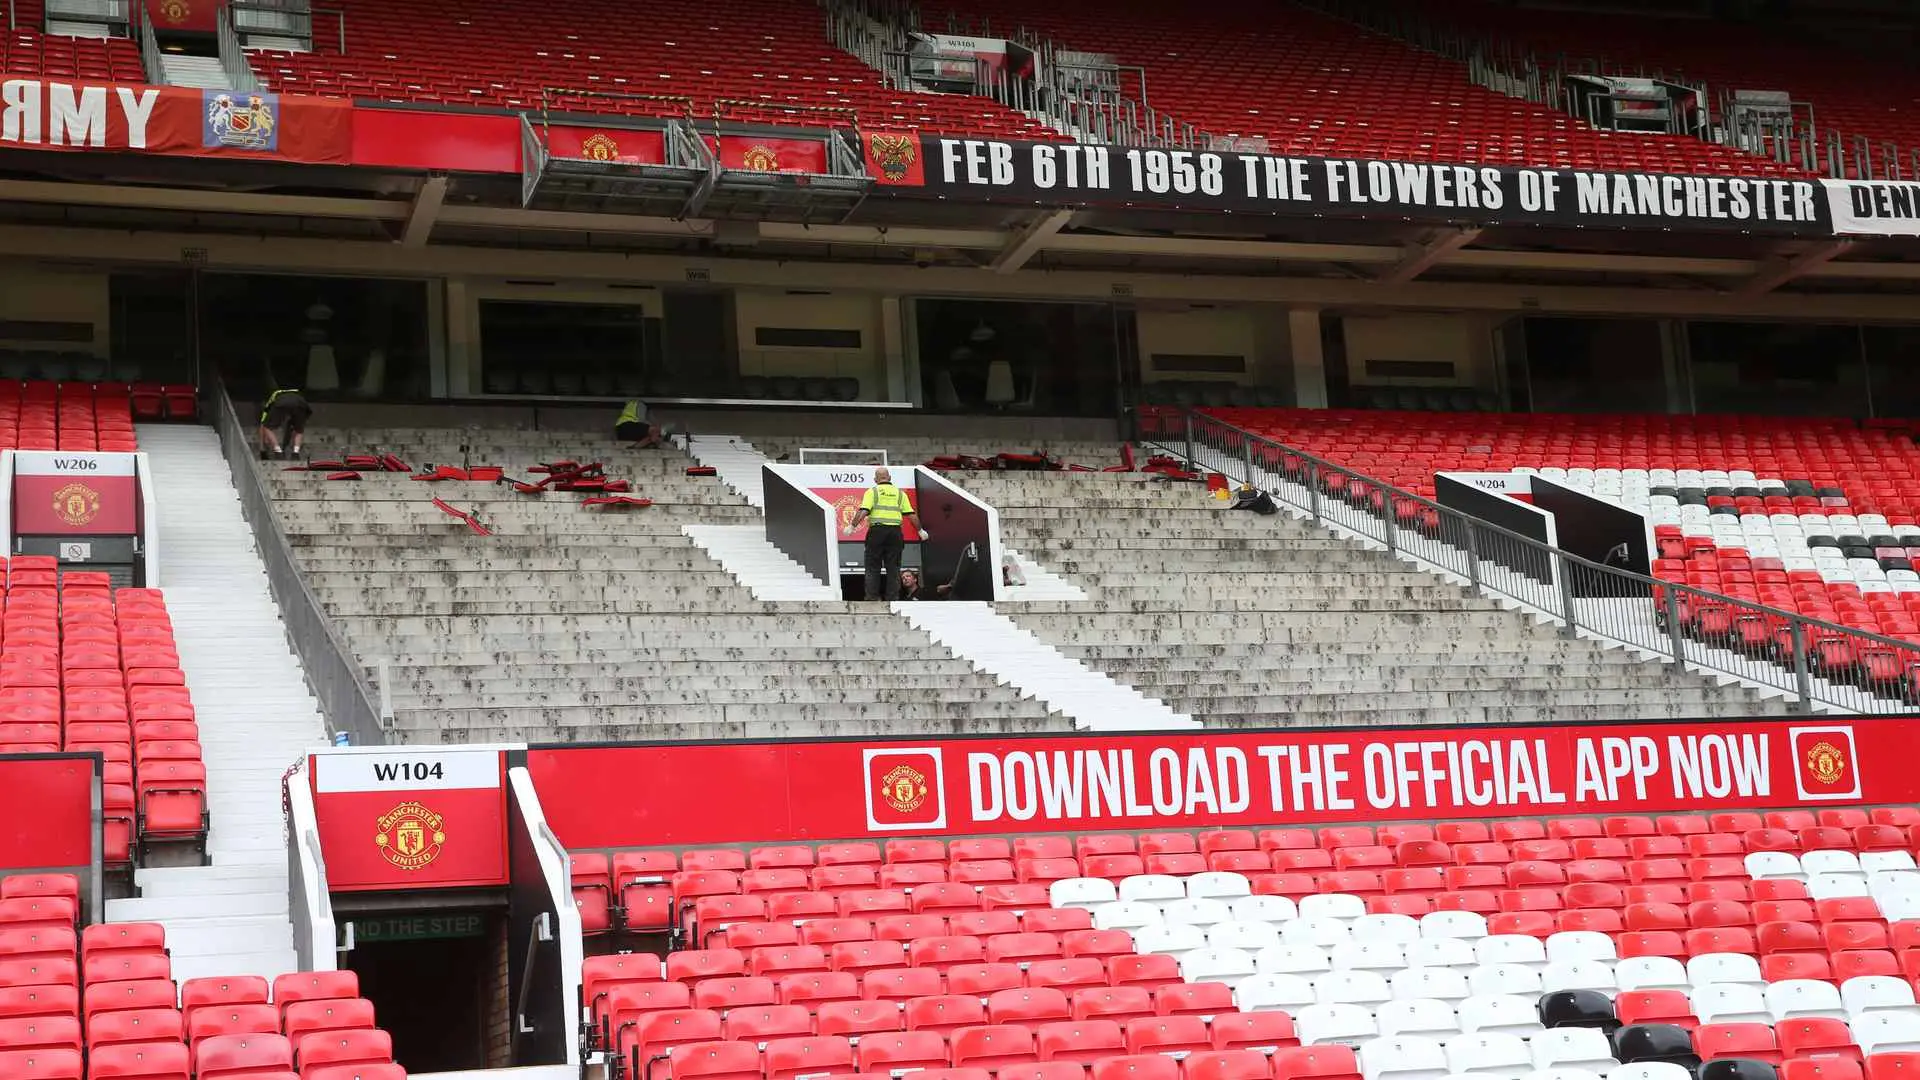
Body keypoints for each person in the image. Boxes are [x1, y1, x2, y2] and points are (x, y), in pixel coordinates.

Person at [848, 467, 928, 601]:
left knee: (873, 567)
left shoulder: (872, 492)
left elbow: (864, 511)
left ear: (875, 480)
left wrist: (852, 526)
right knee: (894, 568)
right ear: (889, 478)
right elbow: (911, 514)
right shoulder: (900, 493)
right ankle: (892, 598)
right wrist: (920, 531)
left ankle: (872, 598)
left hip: (877, 533)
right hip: (895, 533)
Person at [258, 387, 312, 460]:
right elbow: (306, 413)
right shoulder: (298, 393)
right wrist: (298, 425)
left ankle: (278, 452)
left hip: (282, 404)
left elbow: (263, 421)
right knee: (299, 430)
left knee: (267, 427)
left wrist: (262, 449)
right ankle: (296, 453)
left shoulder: (275, 395)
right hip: (300, 404)